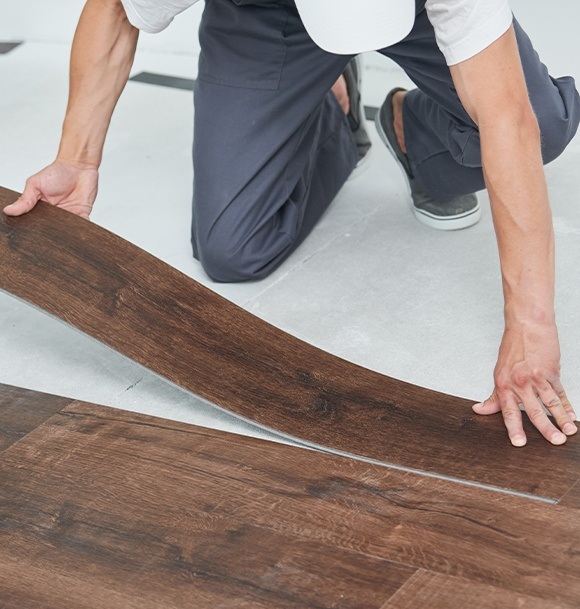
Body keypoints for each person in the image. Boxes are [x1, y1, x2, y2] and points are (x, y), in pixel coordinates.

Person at [4, 0, 579, 447]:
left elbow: (509, 119)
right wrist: (77, 159)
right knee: (233, 249)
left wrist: (530, 325)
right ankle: (329, 109)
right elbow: (115, 10)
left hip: (417, 14)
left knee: (541, 124)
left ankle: (413, 131)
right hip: (264, 13)